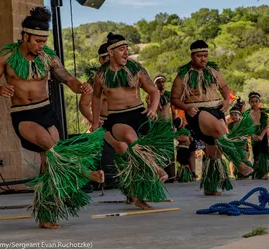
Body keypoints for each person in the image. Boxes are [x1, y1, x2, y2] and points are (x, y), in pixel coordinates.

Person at [0, 7, 103, 229]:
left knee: (50, 163)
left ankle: (46, 213)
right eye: (37, 41)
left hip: (46, 110)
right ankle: (86, 173)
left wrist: (81, 87)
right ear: (25, 36)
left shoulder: (47, 56)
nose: (41, 45)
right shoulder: (6, 55)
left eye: (44, 41)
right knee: (51, 147)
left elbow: (67, 78)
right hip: (23, 115)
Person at [91, 32, 174, 209]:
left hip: (139, 114)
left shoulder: (136, 69)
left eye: (127, 49)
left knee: (136, 159)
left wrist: (152, 109)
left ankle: (137, 197)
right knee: (129, 137)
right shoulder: (101, 75)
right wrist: (94, 120)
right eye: (122, 50)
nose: (126, 53)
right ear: (111, 52)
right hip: (117, 117)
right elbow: (96, 98)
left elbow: (153, 91)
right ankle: (157, 170)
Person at [171, 40, 253, 196]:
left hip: (216, 108)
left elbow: (224, 87)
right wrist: (187, 107)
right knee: (220, 130)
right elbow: (174, 98)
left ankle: (210, 185)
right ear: (192, 56)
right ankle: (239, 163)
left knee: (214, 151)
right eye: (199, 56)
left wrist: (226, 101)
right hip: (198, 110)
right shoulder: (183, 75)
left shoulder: (213, 71)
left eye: (205, 55)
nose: (203, 59)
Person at [79, 43, 110, 129]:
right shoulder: (93, 80)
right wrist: (93, 119)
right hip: (102, 122)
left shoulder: (125, 77)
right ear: (101, 60)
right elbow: (83, 104)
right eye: (108, 60)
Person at [245, 92, 269, 180]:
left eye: (256, 101)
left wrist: (262, 135)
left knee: (263, 153)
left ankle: (264, 173)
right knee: (256, 154)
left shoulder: (263, 113)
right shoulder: (247, 113)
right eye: (252, 102)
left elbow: (267, 125)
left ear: (259, 102)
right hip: (253, 133)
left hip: (262, 134)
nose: (254, 103)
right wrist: (252, 134)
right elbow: (246, 126)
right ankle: (257, 173)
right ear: (249, 102)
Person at [227, 98, 253, 179]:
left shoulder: (243, 124)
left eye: (235, 115)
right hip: (234, 144)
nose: (233, 116)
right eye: (232, 115)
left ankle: (246, 173)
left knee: (243, 157)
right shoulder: (230, 125)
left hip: (242, 144)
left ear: (240, 115)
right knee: (236, 159)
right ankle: (239, 173)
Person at [173, 117, 195, 182]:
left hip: (185, 149)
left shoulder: (185, 132)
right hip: (183, 150)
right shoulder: (181, 132)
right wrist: (187, 139)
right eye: (184, 121)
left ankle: (184, 176)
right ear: (182, 124)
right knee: (184, 164)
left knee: (184, 163)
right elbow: (181, 138)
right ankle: (184, 177)